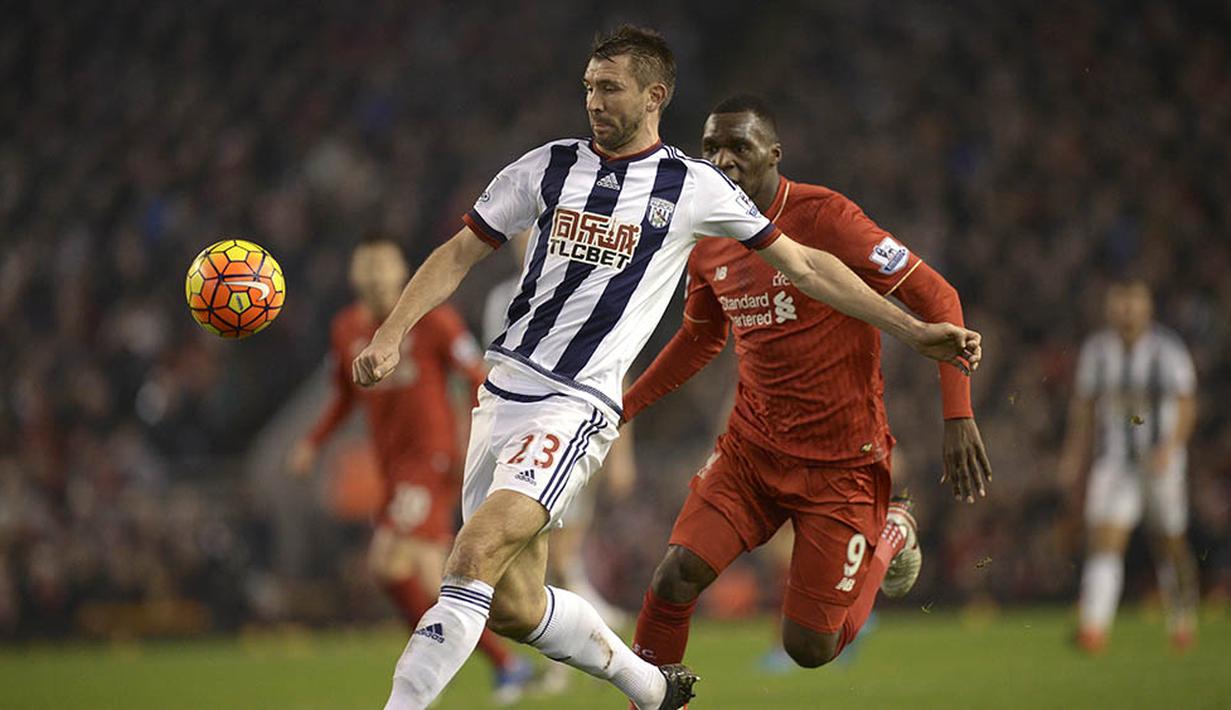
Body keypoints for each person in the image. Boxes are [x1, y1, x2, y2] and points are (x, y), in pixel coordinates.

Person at [351, 26, 982, 710]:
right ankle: (652, 689)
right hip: (503, 397)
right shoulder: (545, 167)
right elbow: (458, 252)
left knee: (470, 555)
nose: (593, 100)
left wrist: (913, 330)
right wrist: (391, 332)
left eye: (609, 87)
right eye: (589, 86)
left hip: (575, 404)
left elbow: (804, 265)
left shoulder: (692, 187)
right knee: (512, 601)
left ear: (654, 96)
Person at [623, 95, 992, 673]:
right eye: (711, 148)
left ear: (773, 154)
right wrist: (622, 408)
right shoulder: (709, 233)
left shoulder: (828, 219)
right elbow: (700, 340)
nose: (721, 160)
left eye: (738, 147)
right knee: (674, 577)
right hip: (750, 453)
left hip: (841, 463)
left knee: (809, 648)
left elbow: (938, 298)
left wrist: (958, 413)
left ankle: (892, 532)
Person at [287, 236, 533, 703]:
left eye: (385, 272)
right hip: (393, 466)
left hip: (432, 459)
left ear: (402, 274)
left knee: (389, 562)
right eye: (369, 273)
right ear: (356, 278)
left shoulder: (434, 320)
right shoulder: (345, 331)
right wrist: (311, 442)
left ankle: (439, 666)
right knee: (426, 576)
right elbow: (343, 396)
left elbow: (476, 374)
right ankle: (501, 664)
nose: (379, 282)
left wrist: (487, 436)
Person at [1059, 278, 1199, 653]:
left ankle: (1183, 617)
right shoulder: (1098, 352)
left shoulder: (1167, 351)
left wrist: (1171, 446)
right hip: (1115, 462)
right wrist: (1075, 456)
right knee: (1105, 540)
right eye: (1120, 302)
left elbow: (1186, 403)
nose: (1126, 310)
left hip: (1161, 462)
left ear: (1147, 306)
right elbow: (1085, 409)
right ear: (1109, 307)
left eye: (1133, 302)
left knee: (1170, 542)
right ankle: (1094, 627)